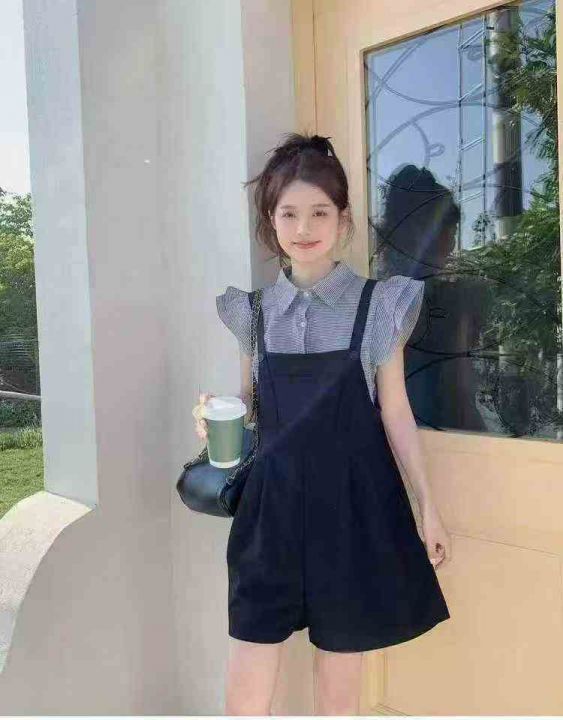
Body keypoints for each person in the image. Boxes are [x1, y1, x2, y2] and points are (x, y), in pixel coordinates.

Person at [192, 132, 452, 716]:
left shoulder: (379, 306)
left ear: (342, 220)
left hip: (352, 512)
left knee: (339, 688)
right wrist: (214, 416)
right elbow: (249, 404)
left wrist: (428, 505)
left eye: (319, 212)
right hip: (270, 512)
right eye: (289, 213)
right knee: (247, 682)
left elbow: (396, 412)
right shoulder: (254, 313)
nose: (303, 227)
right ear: (271, 221)